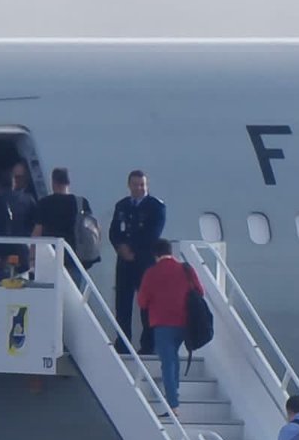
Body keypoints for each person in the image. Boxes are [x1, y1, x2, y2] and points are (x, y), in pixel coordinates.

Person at [136, 239, 203, 417]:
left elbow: (142, 301)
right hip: (185, 322)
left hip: (163, 324)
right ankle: (175, 393)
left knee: (168, 362)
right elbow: (200, 292)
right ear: (171, 252)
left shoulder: (151, 273)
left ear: (155, 254)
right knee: (174, 358)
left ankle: (173, 404)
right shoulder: (186, 269)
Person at [108, 170, 165, 355]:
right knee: (122, 304)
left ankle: (148, 345)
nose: (139, 188)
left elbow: (152, 234)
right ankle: (122, 343)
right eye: (135, 184)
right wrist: (121, 248)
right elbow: (114, 232)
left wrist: (131, 249)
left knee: (146, 304)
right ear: (129, 185)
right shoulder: (122, 206)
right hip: (124, 263)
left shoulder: (156, 206)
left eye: (142, 185)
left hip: (145, 262)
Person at [30, 167, 94, 285]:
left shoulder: (44, 203)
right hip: (75, 258)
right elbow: (92, 229)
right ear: (69, 182)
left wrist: (33, 258)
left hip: (50, 259)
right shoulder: (81, 202)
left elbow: (37, 233)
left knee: (51, 297)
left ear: (53, 182)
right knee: (73, 298)